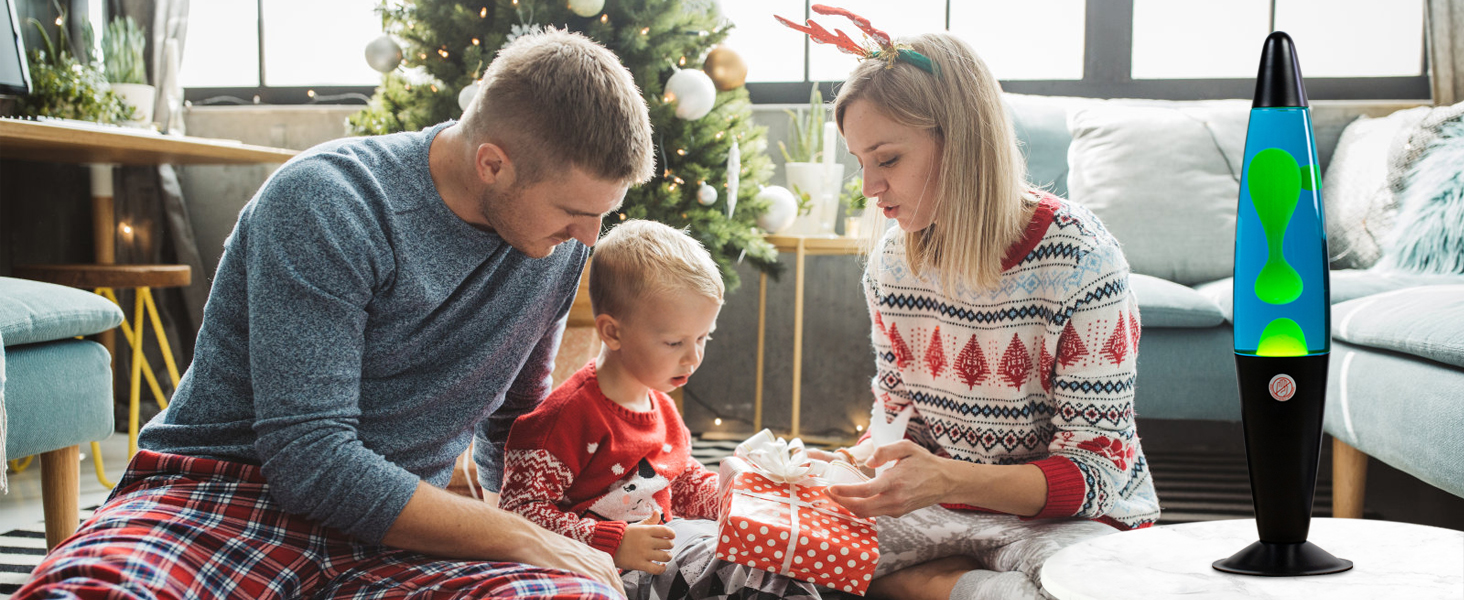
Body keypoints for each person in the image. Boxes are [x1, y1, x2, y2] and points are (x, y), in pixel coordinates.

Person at [18, 29, 653, 600]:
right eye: (575, 209)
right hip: (225, 495)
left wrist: (542, 538)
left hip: (408, 531)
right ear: (493, 163)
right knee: (92, 593)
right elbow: (310, 459)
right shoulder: (330, 201)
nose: (592, 237)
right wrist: (518, 538)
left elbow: (514, 424)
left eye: (604, 213)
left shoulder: (555, 247)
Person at [782, 11, 1161, 600]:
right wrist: (851, 467)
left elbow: (1097, 475)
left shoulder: (1082, 260)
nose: (868, 189)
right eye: (860, 162)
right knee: (768, 557)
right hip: (938, 506)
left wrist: (945, 480)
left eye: (887, 159)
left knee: (1086, 592)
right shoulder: (892, 264)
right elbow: (899, 415)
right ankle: (946, 583)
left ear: (959, 141)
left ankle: (918, 587)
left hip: (1065, 518)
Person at [498, 220, 825, 600]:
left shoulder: (662, 408)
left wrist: (742, 498)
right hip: (601, 569)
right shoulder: (562, 420)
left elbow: (683, 482)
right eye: (674, 342)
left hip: (669, 553)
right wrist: (611, 541)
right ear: (613, 332)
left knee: (772, 573)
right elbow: (518, 516)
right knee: (740, 578)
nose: (694, 356)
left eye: (704, 337)